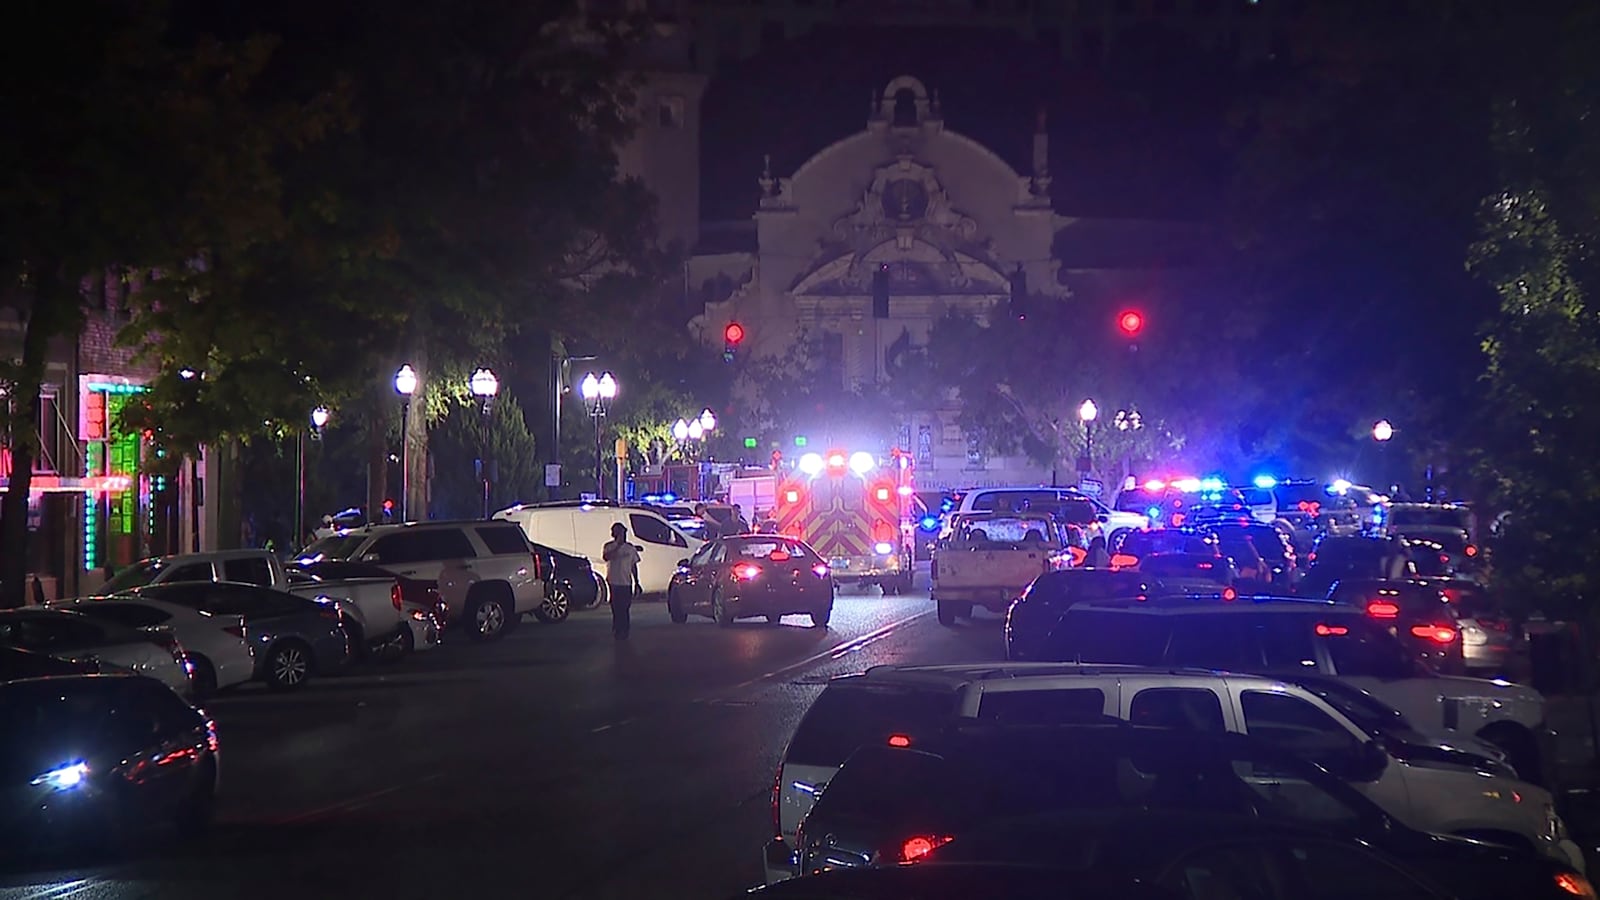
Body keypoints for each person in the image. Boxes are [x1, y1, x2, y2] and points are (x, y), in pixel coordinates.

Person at [602, 523, 642, 640]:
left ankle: (624, 629)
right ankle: (617, 627)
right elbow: (607, 557)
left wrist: (637, 581)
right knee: (616, 607)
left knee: (624, 607)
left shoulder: (630, 548)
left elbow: (634, 565)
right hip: (614, 582)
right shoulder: (609, 546)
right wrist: (618, 546)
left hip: (626, 582)